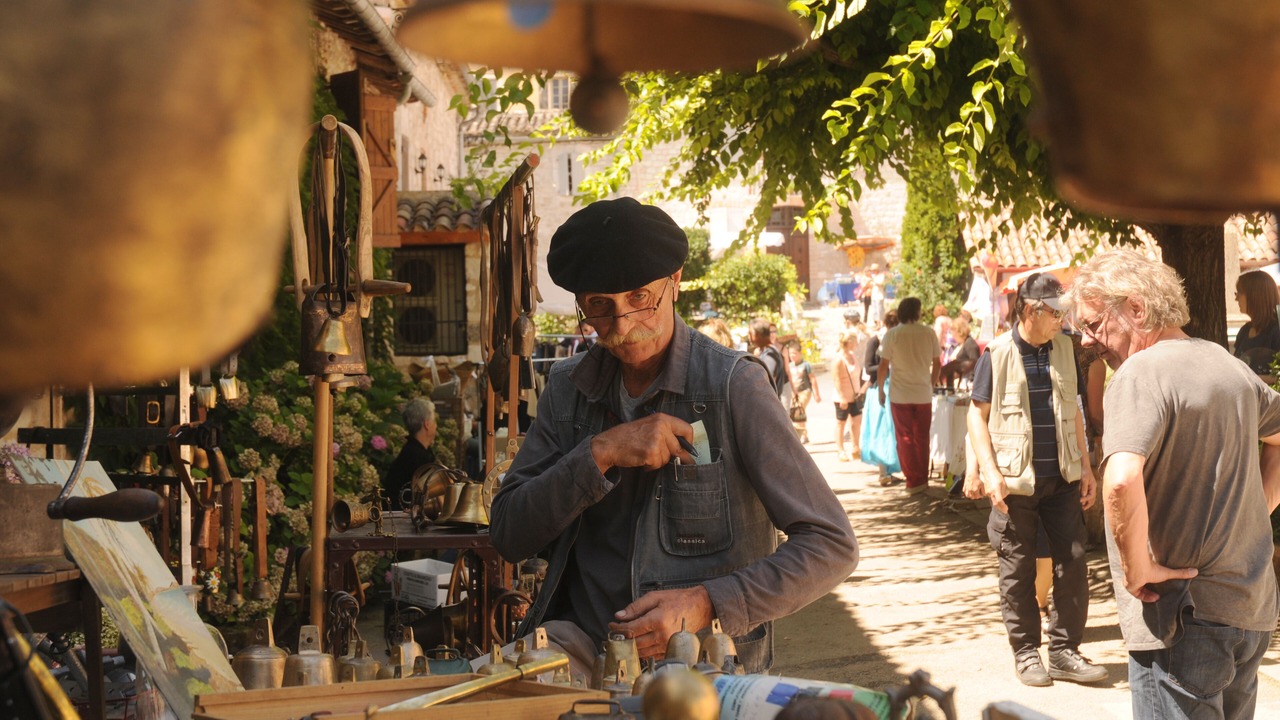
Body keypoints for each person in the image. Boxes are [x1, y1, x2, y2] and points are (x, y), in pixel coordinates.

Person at [488, 197, 858, 679]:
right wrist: (600, 452)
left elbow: (831, 545)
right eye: (600, 307)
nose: (622, 326)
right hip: (584, 649)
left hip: (706, 667)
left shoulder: (733, 387)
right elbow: (508, 533)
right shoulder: (567, 388)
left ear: (676, 281)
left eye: (640, 298)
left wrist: (706, 603)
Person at [1065, 249, 1280, 720]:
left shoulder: (1139, 373)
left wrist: (1136, 569)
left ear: (1137, 309)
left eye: (1093, 324)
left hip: (1181, 619)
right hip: (1248, 607)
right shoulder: (1226, 364)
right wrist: (1257, 512)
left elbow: (1120, 481)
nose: (1085, 340)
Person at [963, 272, 1104, 688]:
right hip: (1013, 482)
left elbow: (1075, 409)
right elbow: (977, 414)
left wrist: (1087, 468)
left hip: (1061, 476)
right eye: (1055, 312)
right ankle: (1026, 652)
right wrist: (987, 471)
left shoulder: (1065, 348)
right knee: (1018, 568)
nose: (1063, 319)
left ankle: (1064, 651)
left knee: (1073, 561)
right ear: (1029, 310)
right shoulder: (997, 353)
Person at [878, 297, 941, 494]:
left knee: (904, 437)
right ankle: (922, 478)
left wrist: (880, 389)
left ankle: (912, 480)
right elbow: (938, 363)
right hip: (923, 393)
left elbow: (882, 366)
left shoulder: (893, 334)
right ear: (917, 312)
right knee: (922, 437)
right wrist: (931, 383)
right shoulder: (929, 333)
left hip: (900, 394)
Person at [862, 310, 901, 483]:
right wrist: (886, 367)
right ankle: (883, 471)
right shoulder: (875, 341)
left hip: (893, 387)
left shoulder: (896, 339)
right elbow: (868, 367)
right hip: (879, 387)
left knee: (891, 430)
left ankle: (888, 469)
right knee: (880, 429)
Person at [382, 397, 437, 509]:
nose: (436, 426)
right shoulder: (415, 456)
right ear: (427, 424)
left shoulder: (415, 450)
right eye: (434, 421)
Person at [1233, 269, 1280, 374]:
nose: (1236, 299)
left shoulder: (1276, 331)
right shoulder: (1244, 331)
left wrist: (1254, 381)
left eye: (1239, 293)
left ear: (1254, 295)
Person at [830, 332, 865, 462]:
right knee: (841, 422)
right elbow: (836, 379)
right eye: (855, 341)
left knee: (856, 422)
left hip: (855, 396)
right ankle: (840, 450)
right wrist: (842, 397)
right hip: (842, 397)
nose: (857, 344)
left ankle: (856, 448)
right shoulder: (838, 359)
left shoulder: (852, 356)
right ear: (849, 342)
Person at [787, 342, 821, 444]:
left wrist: (816, 394)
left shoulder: (806, 365)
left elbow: (812, 379)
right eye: (790, 354)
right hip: (794, 393)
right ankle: (804, 434)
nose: (792, 356)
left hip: (805, 391)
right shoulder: (789, 366)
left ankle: (800, 435)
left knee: (799, 410)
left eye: (794, 353)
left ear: (800, 353)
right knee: (797, 413)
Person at [750, 318, 790, 401]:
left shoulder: (770, 355)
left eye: (751, 333)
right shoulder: (763, 351)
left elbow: (766, 385)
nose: (748, 336)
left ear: (758, 335)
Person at [940, 316, 980, 389]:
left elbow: (975, 364)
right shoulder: (961, 344)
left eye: (952, 331)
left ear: (959, 331)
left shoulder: (970, 344)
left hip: (967, 383)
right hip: (959, 381)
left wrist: (971, 382)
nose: (952, 335)